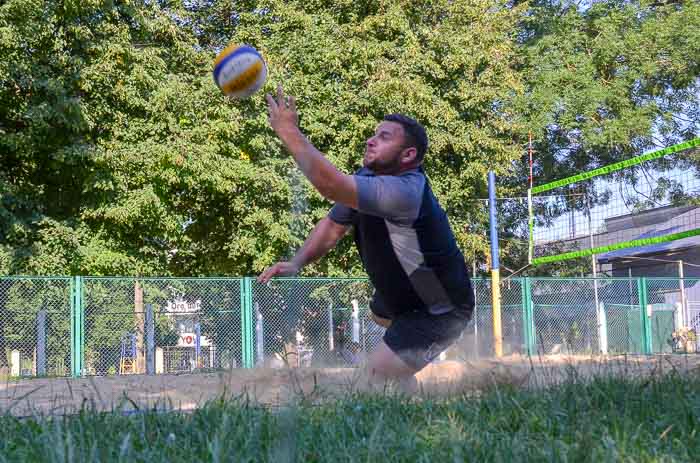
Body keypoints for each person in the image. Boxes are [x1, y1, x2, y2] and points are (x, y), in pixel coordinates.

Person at [258, 85, 475, 391]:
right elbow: (333, 227)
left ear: (408, 155)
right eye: (374, 134)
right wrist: (297, 262)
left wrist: (288, 132)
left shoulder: (405, 192)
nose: (371, 140)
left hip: (440, 310)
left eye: (385, 137)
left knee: (372, 382)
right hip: (396, 303)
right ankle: (401, 378)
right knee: (379, 325)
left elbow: (330, 185)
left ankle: (406, 376)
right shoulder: (369, 178)